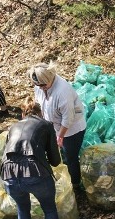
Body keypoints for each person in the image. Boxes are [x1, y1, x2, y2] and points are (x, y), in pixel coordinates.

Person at [1, 98, 66, 219]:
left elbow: (6, 153)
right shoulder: (45, 125)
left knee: (22, 208)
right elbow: (55, 161)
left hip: (9, 173)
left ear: (23, 114)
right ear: (40, 112)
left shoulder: (12, 127)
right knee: (49, 209)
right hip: (34, 172)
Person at [27, 63, 86, 191]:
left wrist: (60, 135)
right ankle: (63, 177)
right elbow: (39, 103)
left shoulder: (63, 91)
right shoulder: (40, 86)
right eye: (37, 85)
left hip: (72, 129)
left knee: (71, 157)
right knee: (59, 154)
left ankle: (75, 184)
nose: (41, 88)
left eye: (43, 85)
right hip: (54, 125)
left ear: (50, 78)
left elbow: (68, 118)